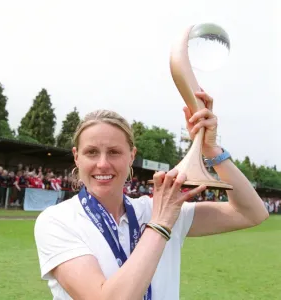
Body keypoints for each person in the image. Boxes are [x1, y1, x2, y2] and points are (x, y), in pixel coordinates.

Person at [34, 91, 269, 300]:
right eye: (91, 152)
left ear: (131, 156)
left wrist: (210, 149)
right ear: (77, 157)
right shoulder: (57, 220)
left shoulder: (154, 208)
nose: (102, 164)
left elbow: (251, 213)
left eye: (114, 152)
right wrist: (160, 224)